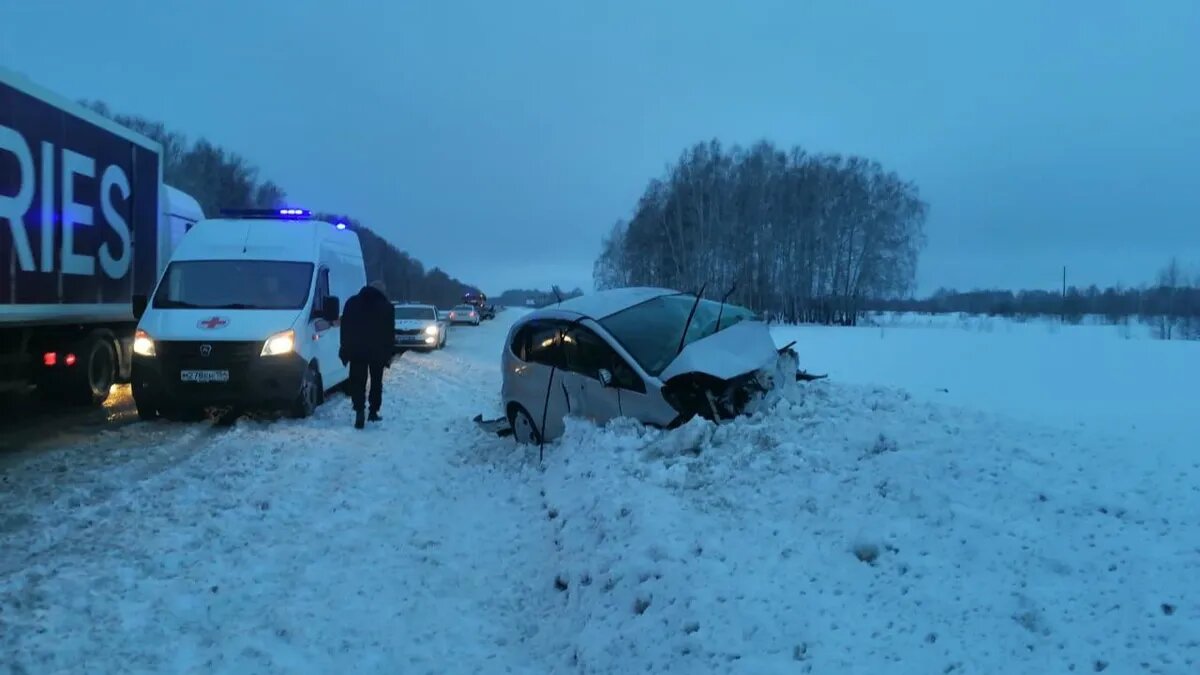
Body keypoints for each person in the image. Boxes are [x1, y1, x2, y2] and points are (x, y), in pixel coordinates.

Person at [339, 280, 394, 428]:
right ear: (382, 292)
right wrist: (388, 354)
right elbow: (389, 333)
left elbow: (345, 328)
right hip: (378, 352)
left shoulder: (351, 303)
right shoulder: (387, 307)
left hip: (356, 351)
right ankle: (373, 412)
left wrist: (344, 349)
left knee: (357, 382)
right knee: (376, 382)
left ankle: (359, 411)